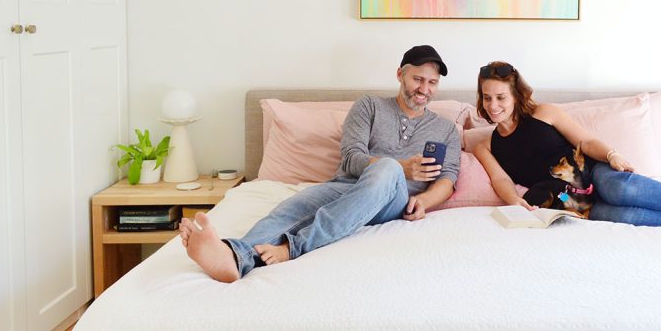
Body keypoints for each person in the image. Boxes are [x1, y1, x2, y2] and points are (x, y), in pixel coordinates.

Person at [180, 45, 462, 282]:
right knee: (290, 210)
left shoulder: (445, 129)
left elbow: (447, 181)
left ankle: (294, 247)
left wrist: (423, 200)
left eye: (432, 82)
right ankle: (234, 256)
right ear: (400, 75)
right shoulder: (369, 106)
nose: (424, 89)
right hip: (347, 186)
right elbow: (352, 158)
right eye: (417, 79)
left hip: (392, 200)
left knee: (387, 168)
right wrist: (402, 164)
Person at [472, 61, 661, 250]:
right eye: (488, 98)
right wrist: (515, 203)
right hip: (568, 201)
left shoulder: (544, 113)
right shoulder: (487, 143)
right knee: (627, 217)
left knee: (622, 188)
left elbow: (586, 141)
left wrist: (612, 155)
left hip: (593, 172)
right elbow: (499, 179)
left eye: (501, 97)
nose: (494, 105)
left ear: (515, 96)